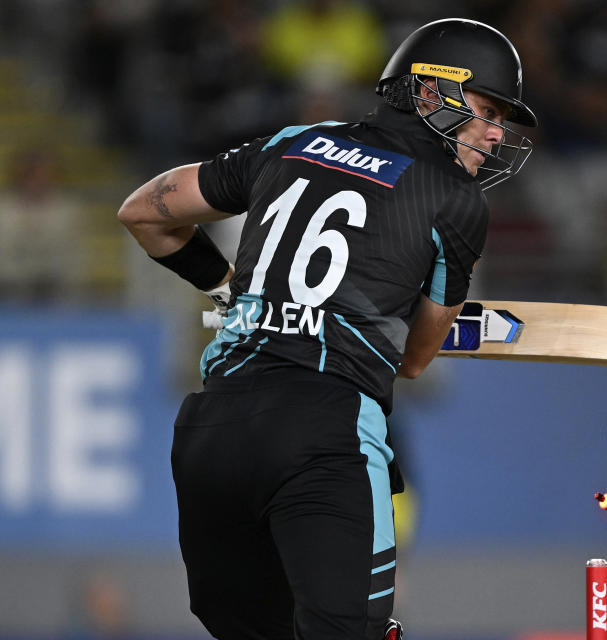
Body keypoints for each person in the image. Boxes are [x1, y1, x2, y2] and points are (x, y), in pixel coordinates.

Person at [117, 18, 536, 640]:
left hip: (212, 430)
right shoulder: (455, 198)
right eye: (486, 110)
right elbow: (416, 356)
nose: (497, 131)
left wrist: (231, 289)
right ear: (428, 93)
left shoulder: (291, 141)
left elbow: (143, 213)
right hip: (325, 425)